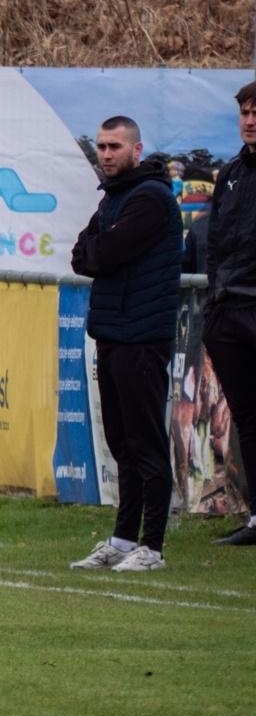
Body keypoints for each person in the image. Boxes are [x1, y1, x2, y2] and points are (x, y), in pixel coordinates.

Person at [67, 117, 180, 572]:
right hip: (112, 335)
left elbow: (106, 254)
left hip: (142, 336)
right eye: (101, 146)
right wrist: (99, 247)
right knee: (122, 445)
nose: (106, 154)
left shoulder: (151, 197)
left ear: (136, 150)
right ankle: (121, 538)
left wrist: (100, 249)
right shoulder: (113, 200)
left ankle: (151, 546)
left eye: (115, 146)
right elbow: (80, 255)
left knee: (146, 443)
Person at [206, 82, 256, 546]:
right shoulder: (233, 173)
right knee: (247, 417)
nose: (250, 120)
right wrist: (214, 306)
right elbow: (216, 243)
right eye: (244, 111)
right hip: (228, 313)